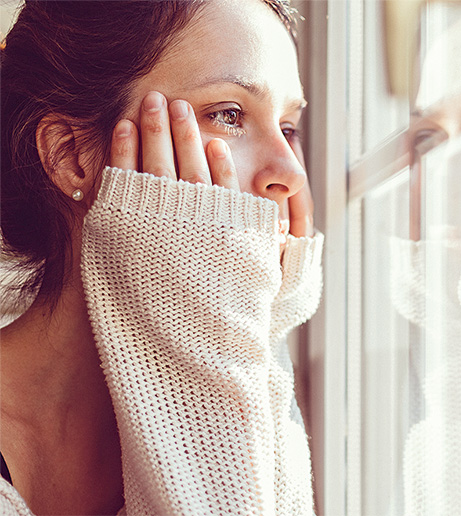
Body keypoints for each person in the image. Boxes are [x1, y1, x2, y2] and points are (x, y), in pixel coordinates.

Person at [0, 1, 322, 514]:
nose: (290, 172)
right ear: (70, 156)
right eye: (229, 115)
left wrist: (250, 335)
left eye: (287, 128)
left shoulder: (259, 410)